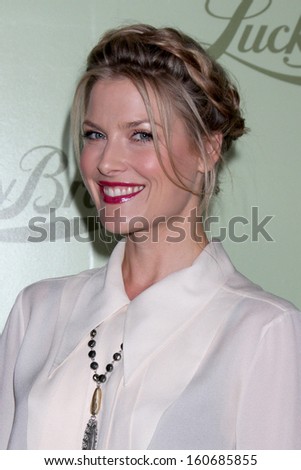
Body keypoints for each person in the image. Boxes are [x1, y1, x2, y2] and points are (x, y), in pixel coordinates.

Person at [0, 24, 301, 450]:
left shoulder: (262, 331)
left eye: (141, 135)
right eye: (94, 135)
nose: (106, 162)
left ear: (208, 149)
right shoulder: (36, 314)